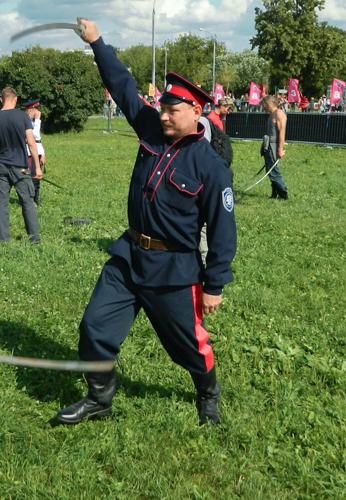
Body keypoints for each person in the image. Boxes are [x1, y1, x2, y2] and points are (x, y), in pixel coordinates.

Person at [55, 20, 237, 427]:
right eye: (163, 108)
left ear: (196, 111)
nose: (165, 115)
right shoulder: (152, 131)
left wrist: (215, 284)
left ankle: (208, 394)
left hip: (174, 270)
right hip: (129, 256)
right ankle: (99, 398)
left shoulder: (210, 166)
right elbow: (121, 85)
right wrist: (97, 42)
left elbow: (223, 228)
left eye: (174, 110)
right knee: (94, 328)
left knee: (189, 345)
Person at [0, 87, 41, 244]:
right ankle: (34, 239)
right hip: (20, 167)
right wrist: (37, 167)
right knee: (27, 202)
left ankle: (3, 240)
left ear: (1, 100)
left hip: (1, 166)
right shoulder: (22, 117)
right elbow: (31, 142)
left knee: (2, 202)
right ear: (15, 100)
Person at [259, 95, 288, 199]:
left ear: (269, 104)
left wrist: (280, 149)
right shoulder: (272, 114)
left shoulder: (279, 113)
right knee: (269, 170)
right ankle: (274, 193)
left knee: (273, 170)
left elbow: (281, 132)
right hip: (268, 145)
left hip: (273, 146)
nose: (263, 107)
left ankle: (283, 192)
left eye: (263, 105)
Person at [23, 99, 45, 207]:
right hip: (29, 151)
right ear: (30, 110)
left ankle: (37, 196)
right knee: (30, 175)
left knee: (38, 175)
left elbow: (39, 140)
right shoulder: (26, 121)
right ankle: (29, 198)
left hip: (38, 150)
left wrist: (43, 153)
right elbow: (35, 135)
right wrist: (38, 120)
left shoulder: (33, 121)